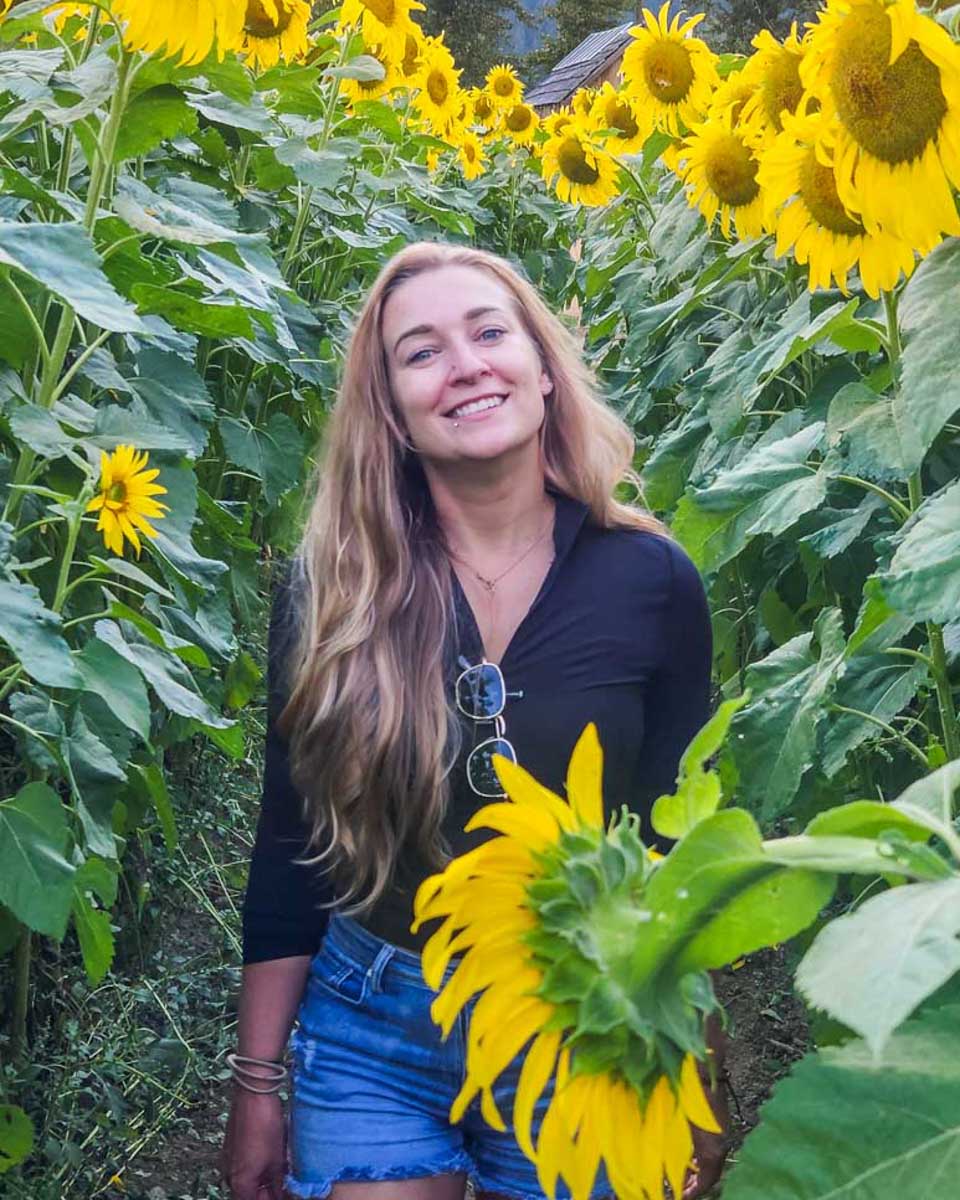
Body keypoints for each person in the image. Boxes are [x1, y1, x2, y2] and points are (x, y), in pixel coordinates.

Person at [220, 242, 725, 1200]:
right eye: (421, 353)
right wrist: (256, 1082)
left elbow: (670, 847)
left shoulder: (653, 582)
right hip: (376, 1018)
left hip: (579, 1014)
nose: (466, 365)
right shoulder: (336, 593)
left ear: (543, 366)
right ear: (395, 415)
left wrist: (689, 1060)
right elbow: (290, 843)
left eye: (490, 332)